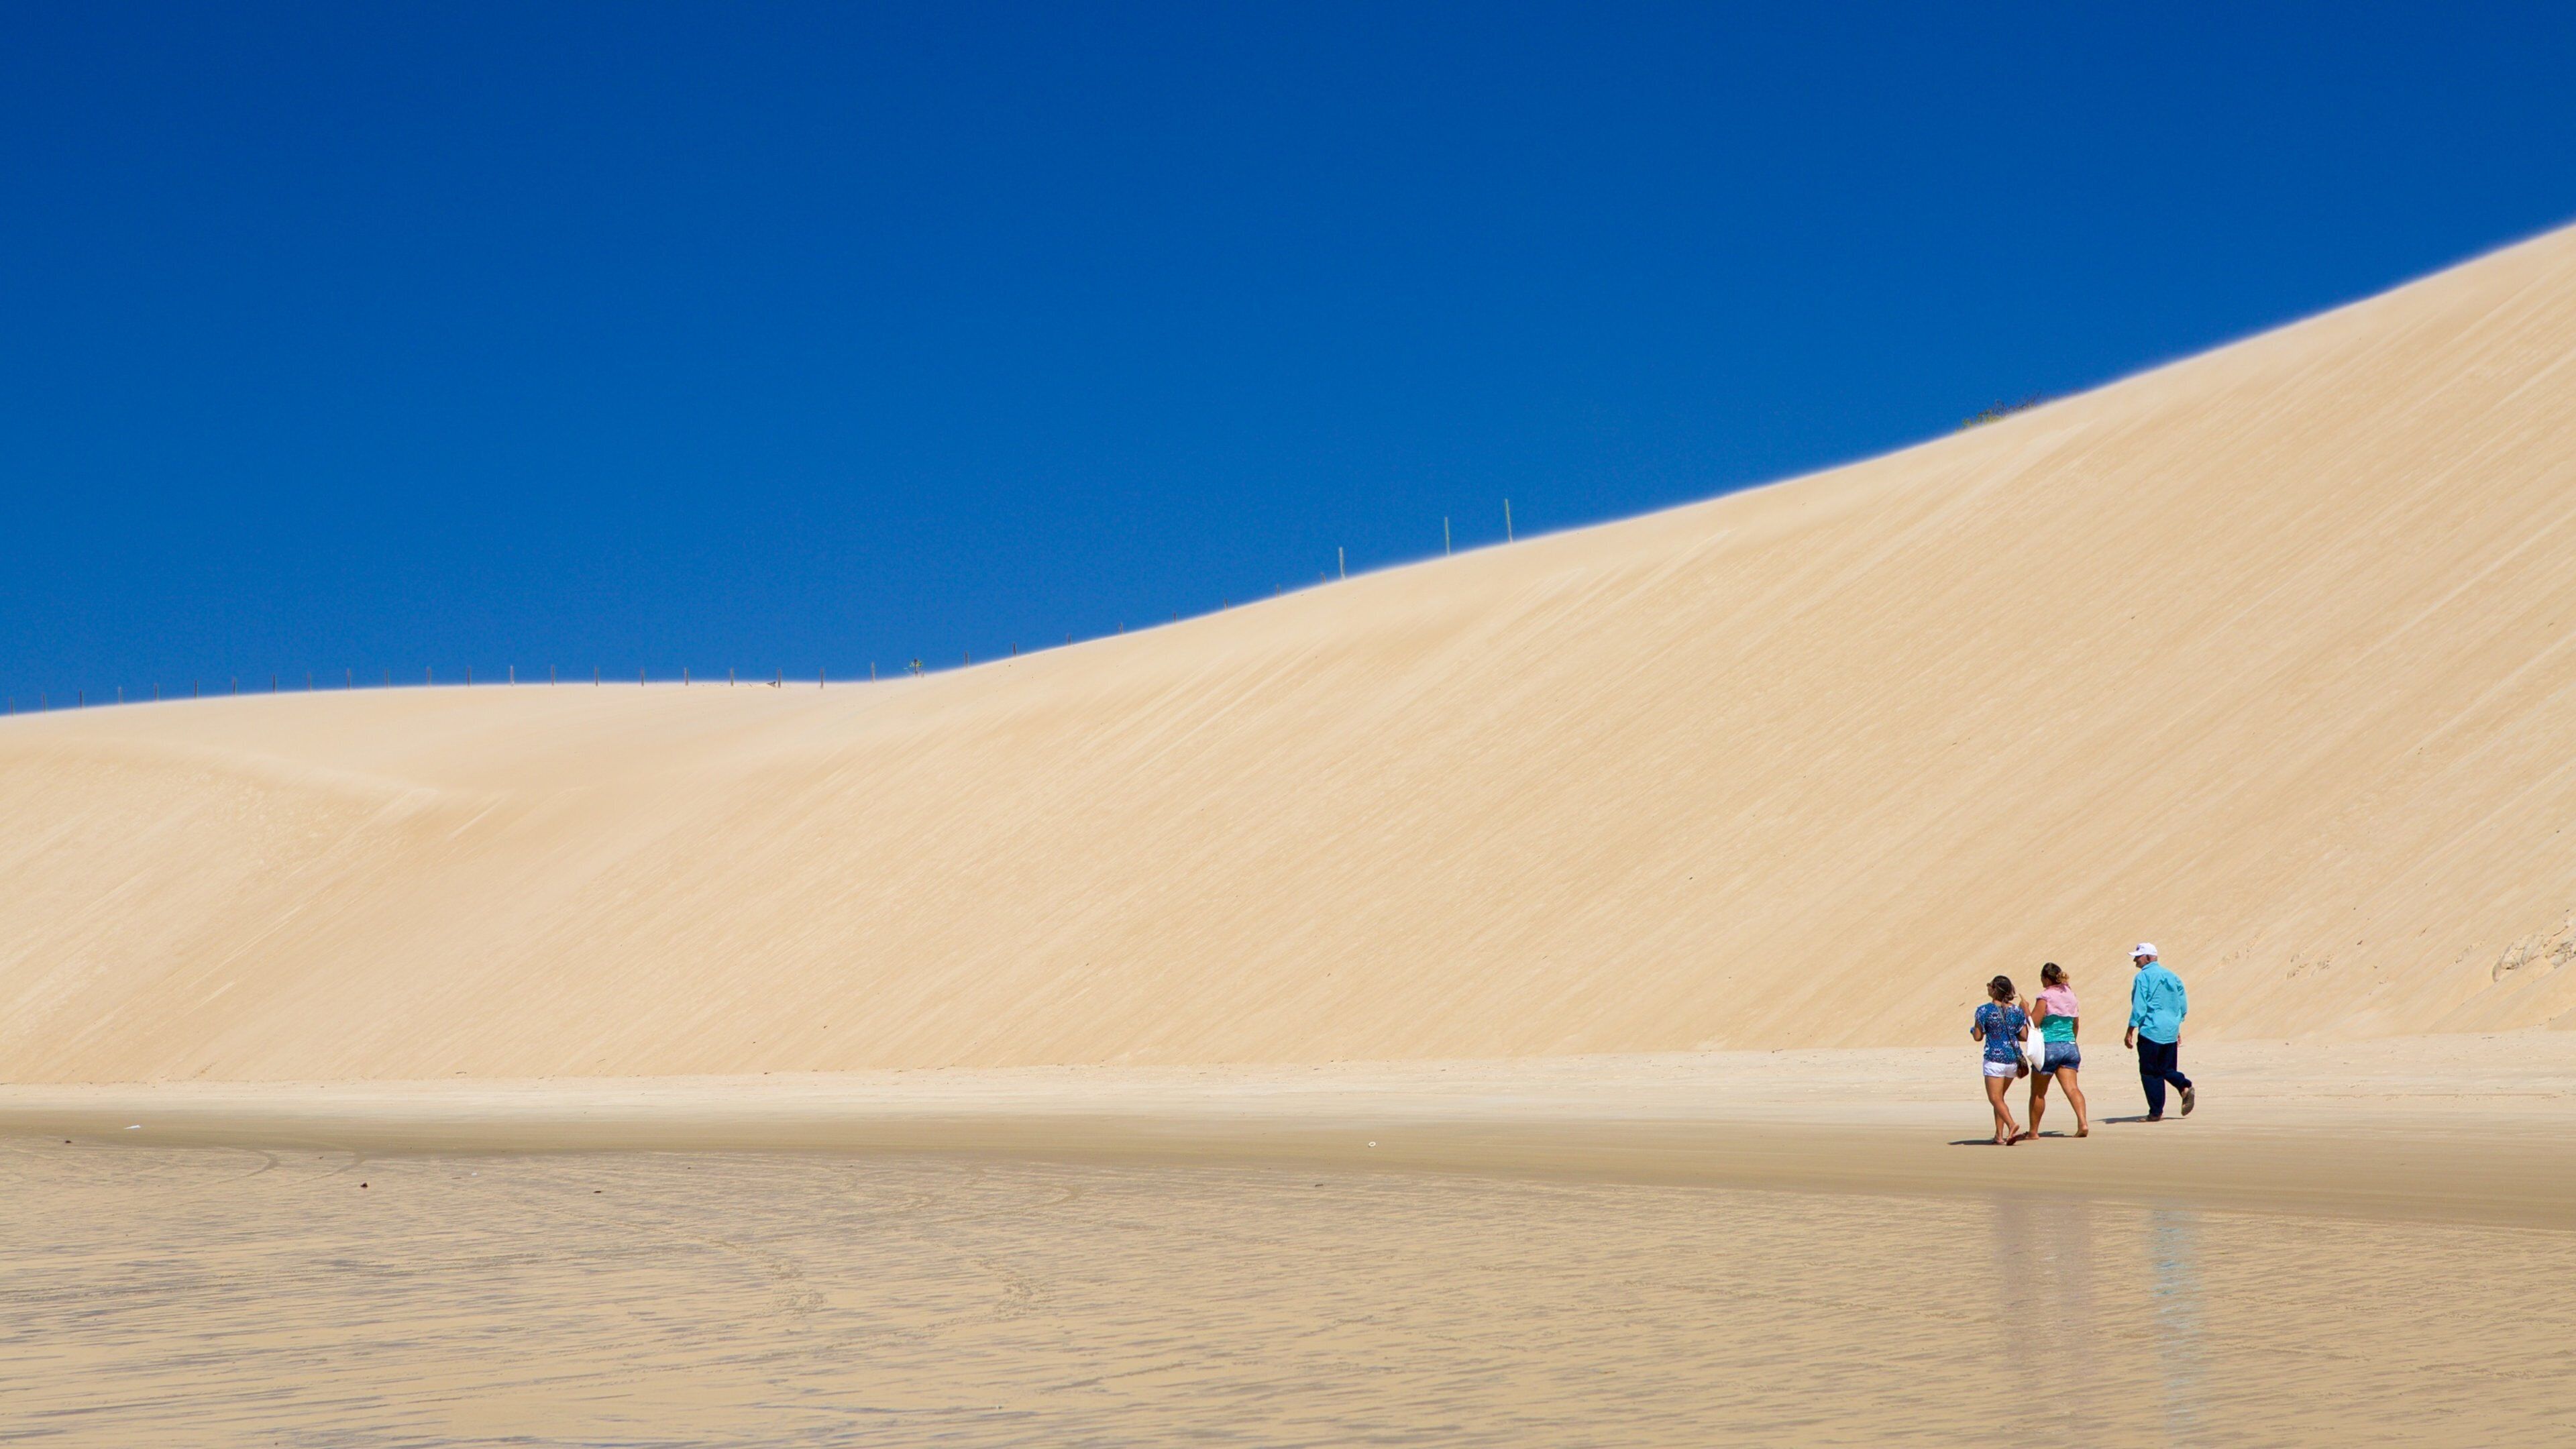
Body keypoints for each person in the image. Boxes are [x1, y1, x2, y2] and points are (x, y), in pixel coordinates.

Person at [2123, 943, 2195, 1120]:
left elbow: (2139, 1006)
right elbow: (2182, 1005)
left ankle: (2156, 1112)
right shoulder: (2173, 976)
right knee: (2166, 1068)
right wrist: (2177, 1025)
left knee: (2150, 1071)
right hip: (2170, 1030)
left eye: (2138, 957)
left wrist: (2130, 1029)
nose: (2135, 960)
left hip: (2151, 1030)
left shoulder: (2143, 977)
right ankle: (2184, 1088)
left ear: (2149, 958)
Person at [2025, 963, 2088, 1138]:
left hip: (2049, 1047)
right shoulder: (2070, 994)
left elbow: (2034, 1023)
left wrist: (2025, 1010)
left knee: (2038, 1092)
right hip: (2069, 1045)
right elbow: (2076, 1024)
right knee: (2073, 1088)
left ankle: (2033, 1131)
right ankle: (2083, 1123)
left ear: (2046, 978)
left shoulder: (2045, 997)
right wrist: (2071, 1041)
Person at [1970, 975, 2029, 1145]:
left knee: (1995, 1099)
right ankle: (1999, 1136)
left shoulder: (1984, 1010)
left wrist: (1973, 1030)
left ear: (1995, 990)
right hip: (2013, 1060)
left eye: (1990, 985)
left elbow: (1978, 1037)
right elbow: (2024, 1036)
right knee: (2000, 1098)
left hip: (1995, 1059)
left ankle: (2012, 1124)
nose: (1987, 987)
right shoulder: (2017, 1011)